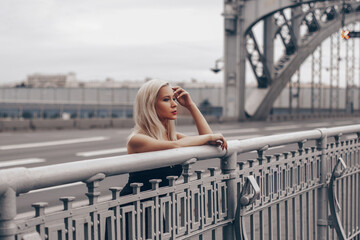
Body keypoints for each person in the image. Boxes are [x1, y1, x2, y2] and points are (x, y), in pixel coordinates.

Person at [120, 79, 227, 195]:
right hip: (132, 207)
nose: (174, 104)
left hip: (157, 207)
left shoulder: (171, 136)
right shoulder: (137, 139)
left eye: (174, 99)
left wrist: (191, 106)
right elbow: (175, 145)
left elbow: (210, 141)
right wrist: (209, 137)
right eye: (166, 99)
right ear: (150, 105)